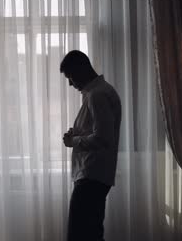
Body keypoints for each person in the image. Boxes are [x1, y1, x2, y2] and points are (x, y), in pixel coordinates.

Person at [60, 50, 121, 241]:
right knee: (91, 234)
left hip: (91, 175)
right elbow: (99, 133)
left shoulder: (97, 95)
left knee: (78, 235)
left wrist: (74, 141)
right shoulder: (100, 92)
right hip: (96, 176)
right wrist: (78, 134)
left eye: (70, 77)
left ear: (81, 69)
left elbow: (103, 138)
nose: (70, 83)